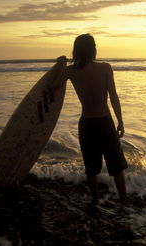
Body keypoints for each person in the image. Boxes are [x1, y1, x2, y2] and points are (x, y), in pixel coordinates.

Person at [48, 34, 128, 205]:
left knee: (91, 169)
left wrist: (58, 66)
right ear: (94, 49)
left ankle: (95, 202)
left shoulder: (70, 71)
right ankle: (124, 202)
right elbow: (113, 96)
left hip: (86, 125)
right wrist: (120, 121)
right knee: (116, 166)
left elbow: (51, 88)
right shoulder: (105, 68)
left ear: (75, 51)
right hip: (105, 122)